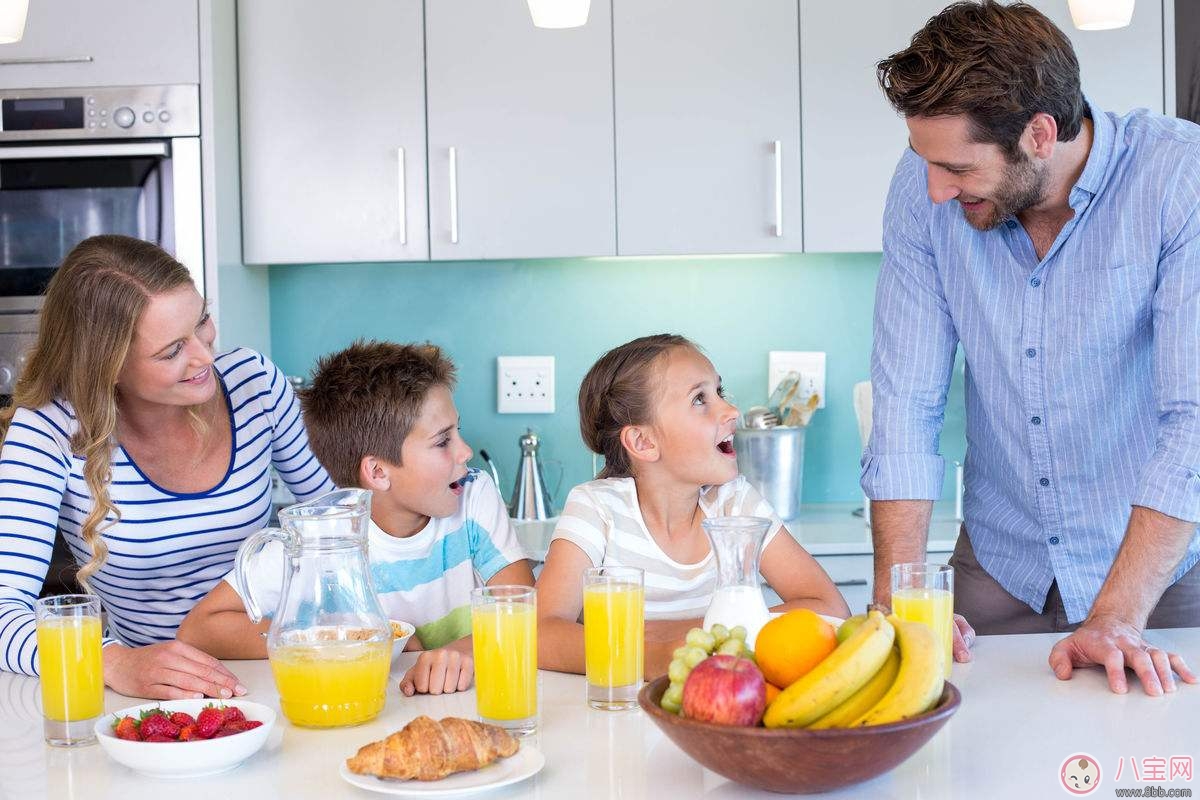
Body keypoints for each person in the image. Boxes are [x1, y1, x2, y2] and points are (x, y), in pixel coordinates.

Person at [865, 0, 1200, 696]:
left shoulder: (1178, 181)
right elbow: (906, 402)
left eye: (957, 166)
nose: (935, 187)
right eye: (924, 160)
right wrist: (898, 589)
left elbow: (1192, 422)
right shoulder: (926, 190)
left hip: (1156, 572)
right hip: (1000, 561)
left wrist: (1117, 615)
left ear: (1040, 135)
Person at [0, 234, 333, 698]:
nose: (204, 356)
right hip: (145, 699)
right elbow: (3, 610)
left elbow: (340, 527)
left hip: (274, 672)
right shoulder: (49, 431)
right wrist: (112, 662)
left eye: (202, 323)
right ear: (108, 366)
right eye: (172, 350)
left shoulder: (253, 383)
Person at [178, 340, 534, 696]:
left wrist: (454, 654)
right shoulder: (319, 536)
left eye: (457, 431)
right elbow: (201, 628)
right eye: (443, 442)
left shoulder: (473, 495)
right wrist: (332, 641)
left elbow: (524, 609)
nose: (465, 451)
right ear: (378, 472)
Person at [537, 334, 848, 678]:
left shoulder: (736, 503)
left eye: (719, 392)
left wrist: (691, 634)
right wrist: (654, 656)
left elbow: (830, 609)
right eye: (700, 399)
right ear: (643, 441)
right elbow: (539, 631)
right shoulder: (597, 508)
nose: (731, 411)